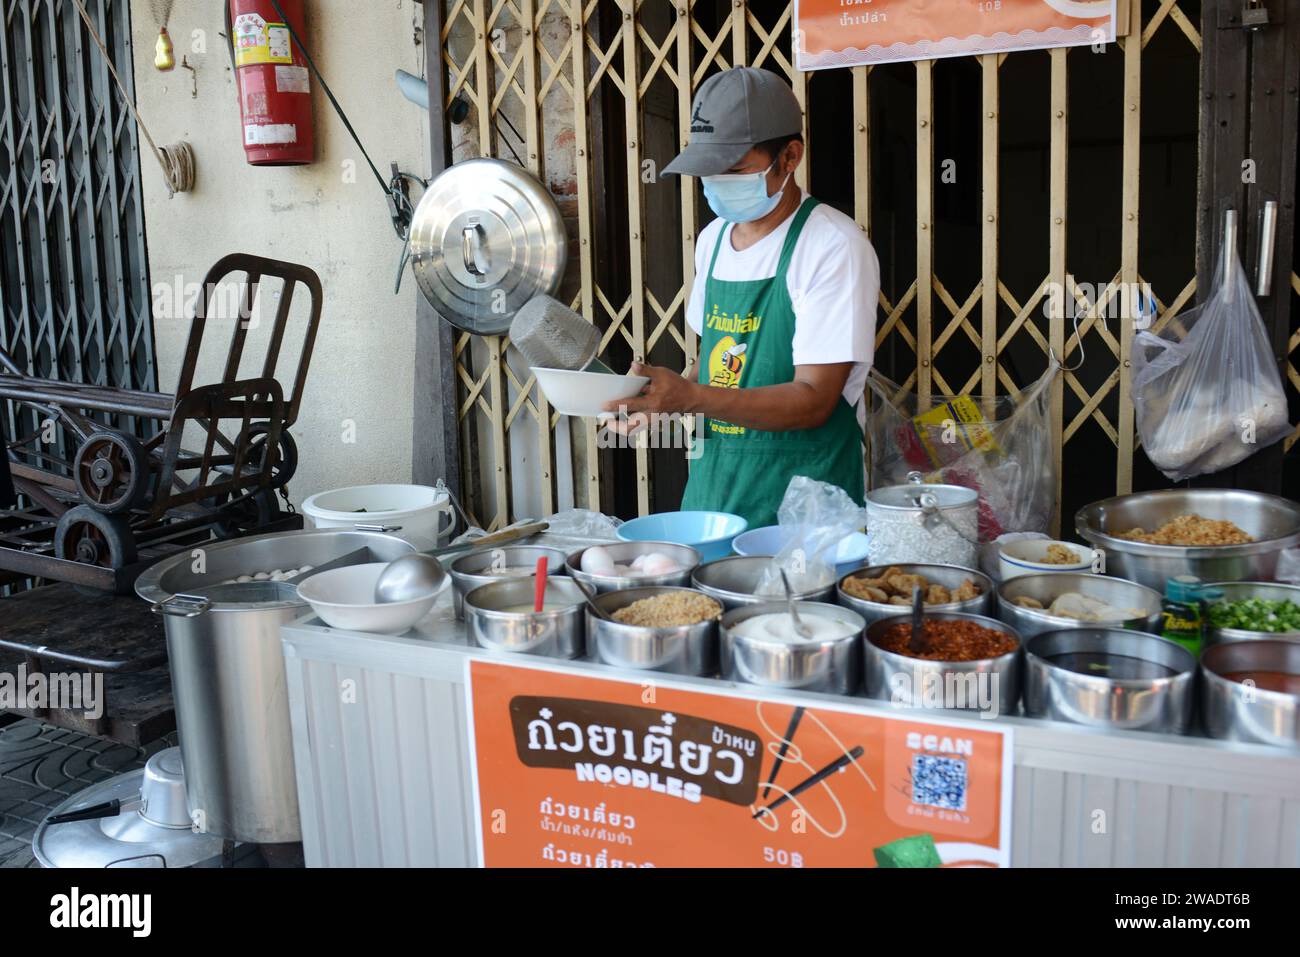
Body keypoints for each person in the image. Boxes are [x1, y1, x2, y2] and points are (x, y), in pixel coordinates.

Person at [604, 67, 879, 528]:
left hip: (805, 514)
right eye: (709, 171)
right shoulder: (712, 241)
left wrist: (689, 397)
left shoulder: (832, 245)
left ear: (790, 157)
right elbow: (713, 364)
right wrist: (654, 400)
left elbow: (814, 400)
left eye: (735, 170)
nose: (718, 183)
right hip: (715, 496)